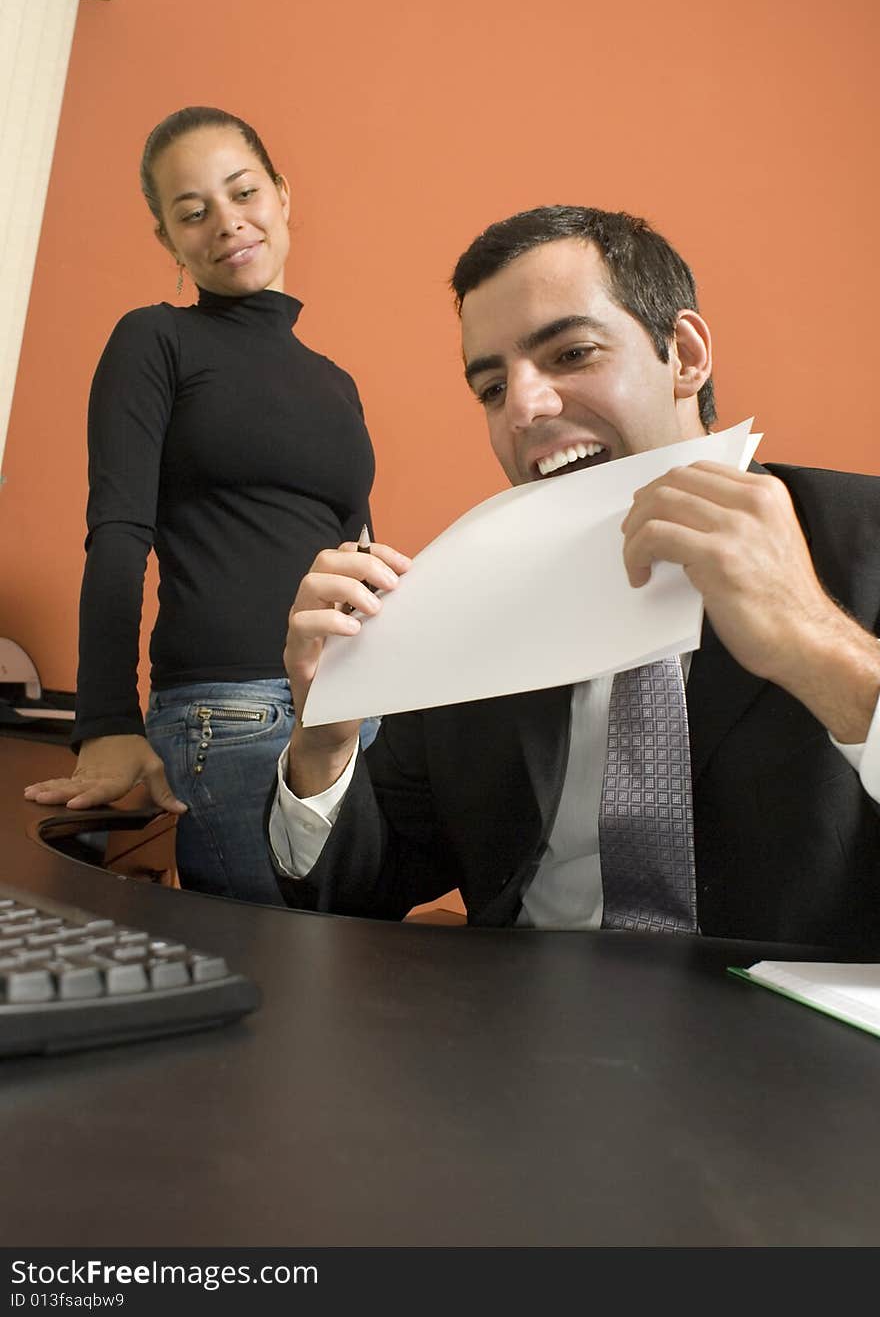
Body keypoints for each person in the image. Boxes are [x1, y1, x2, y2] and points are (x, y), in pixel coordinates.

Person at [269, 205, 880, 948]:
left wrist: (819, 643)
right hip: (517, 1032)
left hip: (793, 1045)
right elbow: (355, 895)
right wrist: (324, 746)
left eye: (571, 353)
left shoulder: (865, 535)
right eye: (492, 389)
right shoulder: (468, 602)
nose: (523, 408)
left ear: (684, 354)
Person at [24, 105, 379, 905]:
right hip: (231, 715)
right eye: (193, 212)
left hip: (351, 711)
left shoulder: (334, 381)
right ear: (169, 241)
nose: (227, 222)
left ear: (282, 195)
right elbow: (118, 531)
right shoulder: (156, 340)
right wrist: (107, 723)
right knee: (291, 978)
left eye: (243, 191)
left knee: (367, 974)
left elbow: (355, 553)